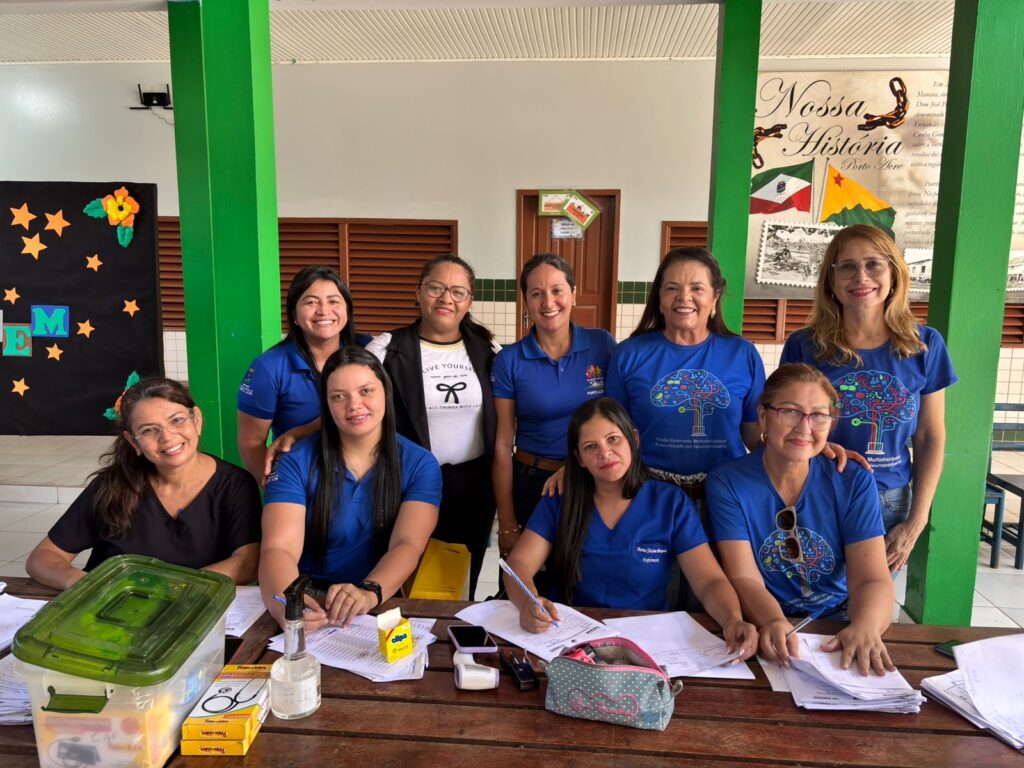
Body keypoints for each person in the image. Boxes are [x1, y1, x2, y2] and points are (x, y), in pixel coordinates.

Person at [503, 398, 758, 662]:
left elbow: (709, 581)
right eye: (591, 447)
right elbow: (519, 564)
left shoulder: (670, 502)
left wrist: (732, 620)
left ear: (634, 439)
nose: (605, 453)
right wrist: (528, 603)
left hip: (649, 645)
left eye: (613, 439)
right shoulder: (561, 500)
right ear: (579, 458)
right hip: (571, 644)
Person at [780, 225, 957, 573]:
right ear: (831, 280)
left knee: (870, 600)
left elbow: (930, 436)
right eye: (846, 266)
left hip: (889, 503)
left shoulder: (924, 345)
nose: (861, 277)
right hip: (816, 493)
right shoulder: (805, 345)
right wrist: (819, 447)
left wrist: (917, 519)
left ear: (894, 273)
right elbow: (783, 424)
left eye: (873, 264)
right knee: (811, 596)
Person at [706, 363, 895, 676]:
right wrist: (773, 620)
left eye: (819, 415)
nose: (805, 427)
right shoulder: (728, 482)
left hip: (837, 620)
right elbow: (743, 577)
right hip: (762, 620)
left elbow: (871, 578)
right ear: (763, 415)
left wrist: (865, 627)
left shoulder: (853, 480)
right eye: (790, 412)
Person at [259, 347, 442, 631]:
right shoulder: (295, 461)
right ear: (326, 404)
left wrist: (369, 592)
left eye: (366, 391)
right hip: (308, 598)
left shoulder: (420, 463)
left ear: (385, 392)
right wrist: (286, 605)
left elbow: (407, 544)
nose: (354, 405)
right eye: (339, 396)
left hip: (379, 596)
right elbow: (278, 548)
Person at [26, 378, 261, 590]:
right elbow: (43, 557)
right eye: (149, 430)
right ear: (133, 441)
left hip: (191, 607)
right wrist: (84, 584)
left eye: (177, 420)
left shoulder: (235, 485)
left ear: (196, 420)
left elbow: (247, 563)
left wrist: (172, 590)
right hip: (113, 606)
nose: (167, 437)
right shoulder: (112, 486)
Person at [367, 254, 499, 598]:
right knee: (405, 579)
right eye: (436, 288)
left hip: (473, 487)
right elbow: (354, 405)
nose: (446, 299)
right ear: (418, 292)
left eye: (458, 292)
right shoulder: (387, 349)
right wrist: (296, 434)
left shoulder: (487, 350)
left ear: (469, 301)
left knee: (461, 581)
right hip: (408, 483)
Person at [605, 247, 765, 503]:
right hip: (650, 493)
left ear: (715, 297)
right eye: (672, 288)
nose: (684, 298)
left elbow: (755, 434)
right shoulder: (629, 355)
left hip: (725, 495)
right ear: (659, 297)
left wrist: (804, 445)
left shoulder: (742, 354)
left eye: (697, 288)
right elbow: (612, 433)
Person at [491, 253, 617, 561]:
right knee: (526, 576)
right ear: (526, 301)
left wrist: (575, 468)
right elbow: (503, 443)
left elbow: (618, 418)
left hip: (593, 477)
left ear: (573, 293)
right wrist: (506, 521)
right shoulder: (509, 360)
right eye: (537, 293)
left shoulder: (602, 345)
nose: (548, 302)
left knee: (586, 574)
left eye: (557, 290)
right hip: (533, 482)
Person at [237, 265, 370, 482]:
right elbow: (251, 442)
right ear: (294, 315)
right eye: (311, 302)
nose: (324, 311)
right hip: (303, 481)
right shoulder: (268, 368)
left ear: (347, 309)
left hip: (367, 477)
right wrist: (277, 488)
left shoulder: (369, 352)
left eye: (334, 301)